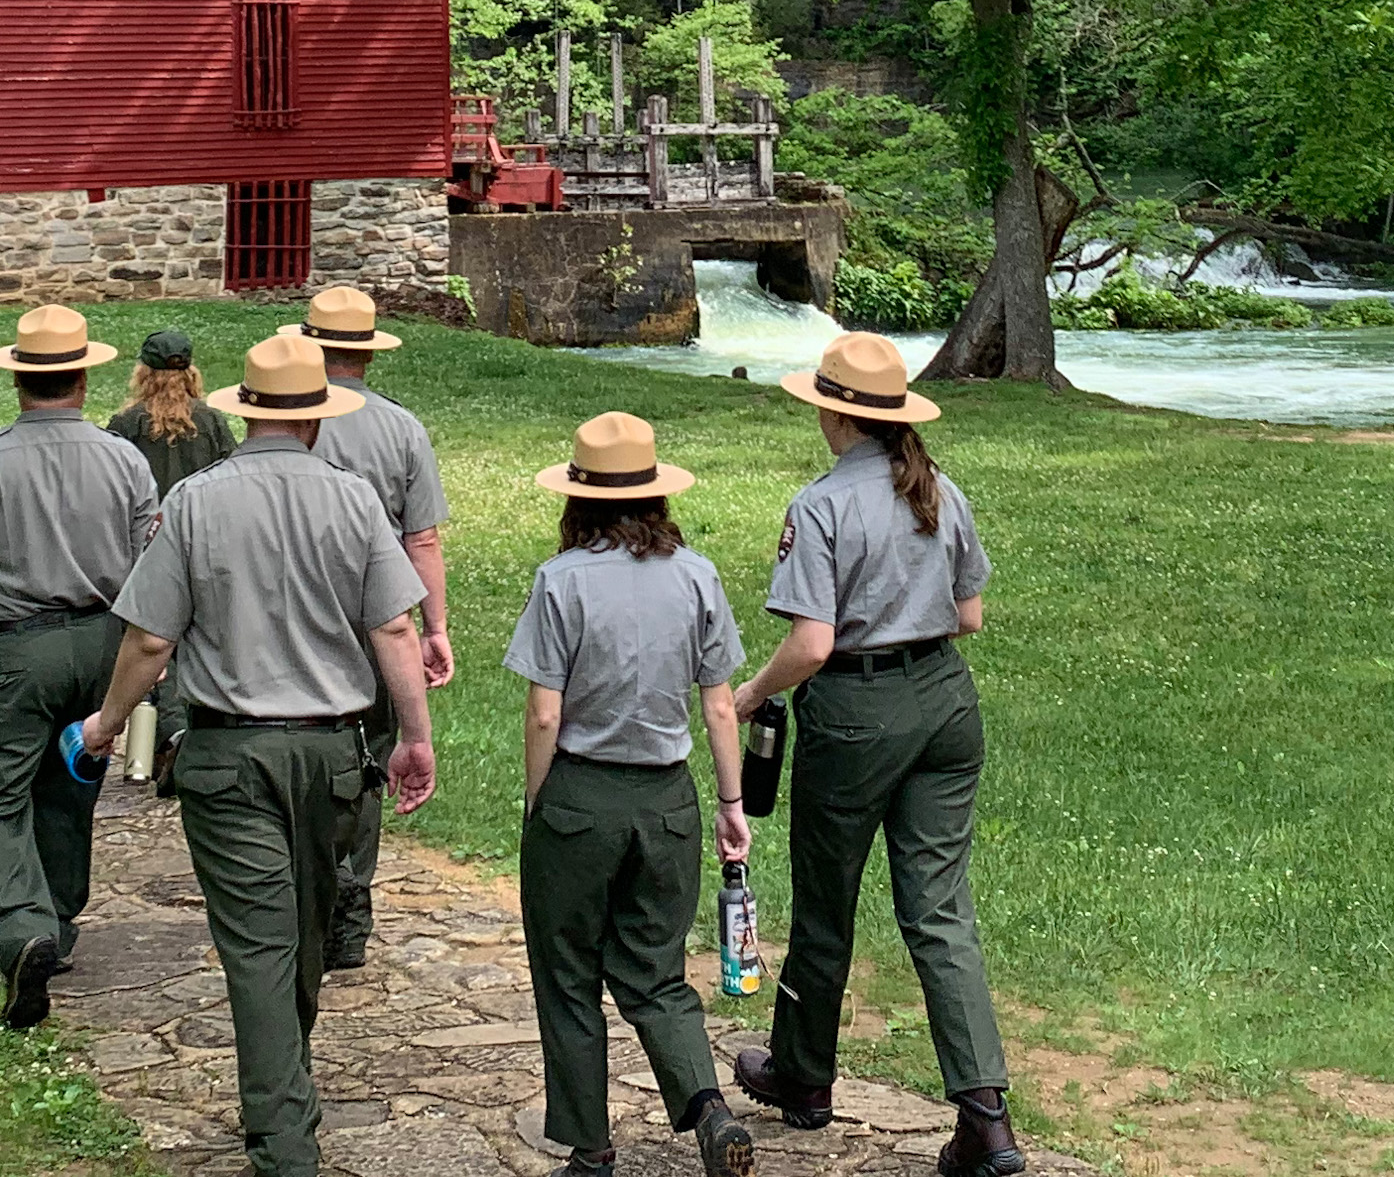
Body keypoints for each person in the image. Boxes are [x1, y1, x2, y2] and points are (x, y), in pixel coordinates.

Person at [78, 333, 436, 1177]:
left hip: (230, 754)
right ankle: (285, 1129)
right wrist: (415, 734)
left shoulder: (198, 502)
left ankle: (280, 1105)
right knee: (298, 935)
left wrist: (107, 722)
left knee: (267, 945)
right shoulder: (355, 502)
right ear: (316, 418)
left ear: (246, 414)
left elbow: (150, 639)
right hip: (331, 752)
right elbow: (393, 625)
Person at [729, 332, 1022, 1177]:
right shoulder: (941, 489)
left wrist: (753, 695)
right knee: (939, 912)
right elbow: (970, 618)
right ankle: (986, 1119)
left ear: (831, 412)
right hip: (946, 705)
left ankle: (803, 1077)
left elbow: (813, 643)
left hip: (858, 712)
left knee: (827, 902)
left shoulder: (819, 505)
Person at [507, 412, 757, 1177]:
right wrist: (729, 801)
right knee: (655, 967)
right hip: (668, 799)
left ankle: (591, 1146)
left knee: (568, 970)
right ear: (655, 498)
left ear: (578, 500)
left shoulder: (561, 580)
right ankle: (709, 1108)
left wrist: (539, 800)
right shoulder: (697, 574)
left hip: (582, 793)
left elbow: (547, 710)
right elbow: (719, 704)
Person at [0, 302, 156, 1027]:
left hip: (15, 648)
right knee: (72, 782)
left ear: (20, 382)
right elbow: (154, 558)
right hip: (105, 644)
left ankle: (20, 925)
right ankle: (61, 920)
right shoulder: (124, 457)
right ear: (81, 378)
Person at [282, 285, 449, 967]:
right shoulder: (402, 428)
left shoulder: (285, 419)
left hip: (295, 609)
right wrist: (433, 625)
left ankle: (305, 891)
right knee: (373, 754)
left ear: (312, 345)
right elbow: (424, 541)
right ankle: (350, 891)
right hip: (377, 613)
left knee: (297, 743)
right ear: (369, 354)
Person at [107, 327, 237, 498]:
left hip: (145, 521)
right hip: (199, 519)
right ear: (190, 372)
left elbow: (109, 481)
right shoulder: (212, 420)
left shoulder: (126, 422)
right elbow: (232, 476)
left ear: (143, 373)